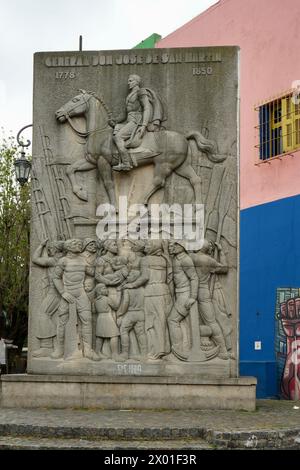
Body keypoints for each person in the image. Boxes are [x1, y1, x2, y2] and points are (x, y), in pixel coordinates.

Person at [111, 74, 165, 171]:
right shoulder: (129, 95)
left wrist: (143, 125)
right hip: (129, 121)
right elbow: (125, 114)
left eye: (131, 81)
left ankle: (126, 163)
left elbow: (147, 108)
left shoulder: (141, 92)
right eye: (129, 81)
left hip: (136, 121)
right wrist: (115, 120)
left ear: (137, 82)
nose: (128, 83)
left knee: (118, 137)